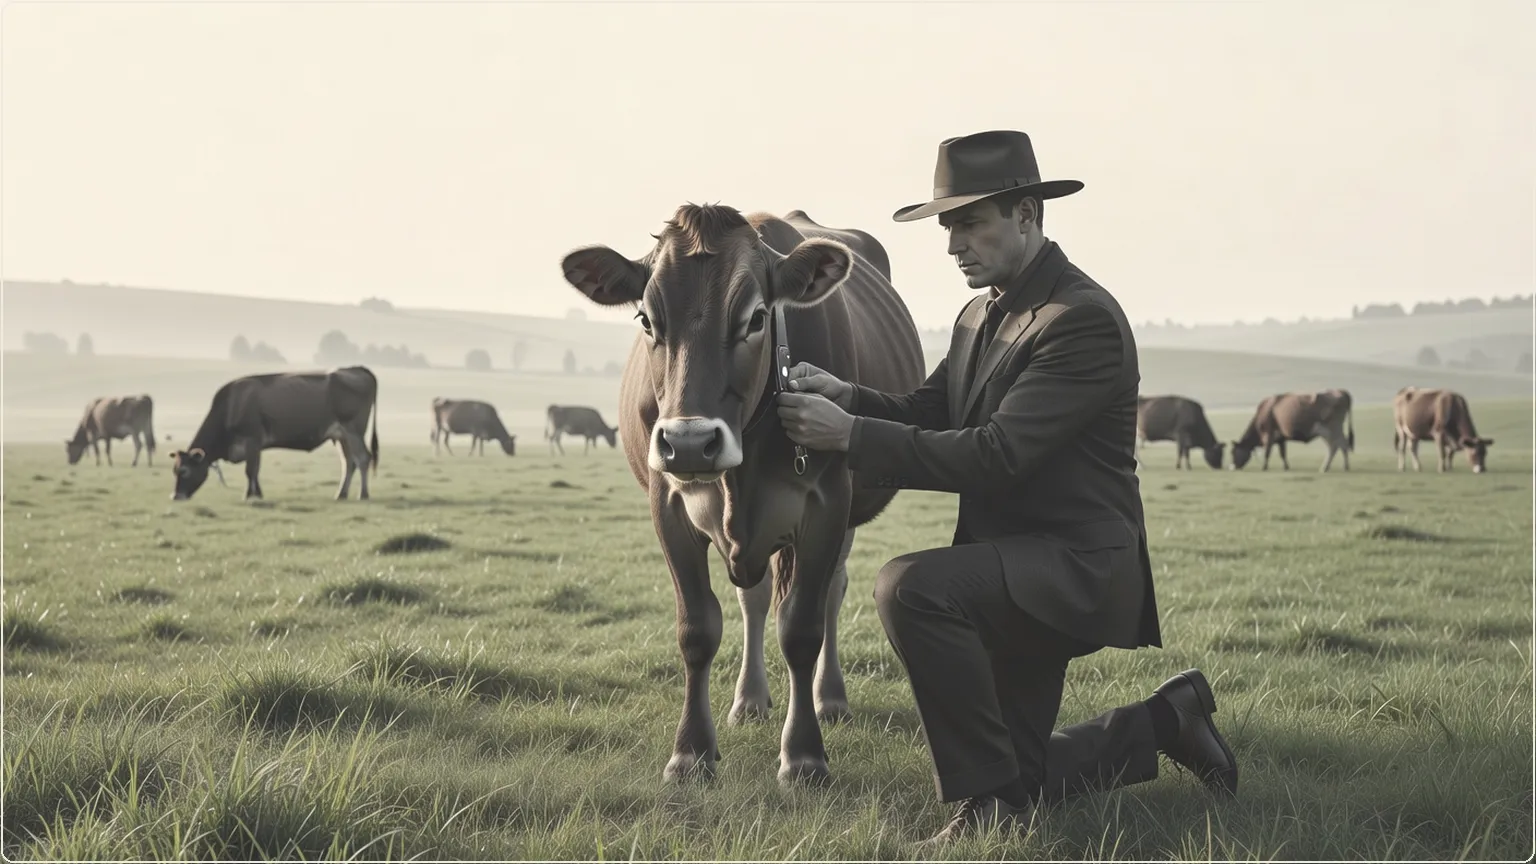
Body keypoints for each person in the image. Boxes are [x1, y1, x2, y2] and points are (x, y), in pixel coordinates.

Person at [774, 130, 1238, 848]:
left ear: (1027, 214)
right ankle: (1168, 720)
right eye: (947, 226)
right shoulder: (979, 311)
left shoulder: (1079, 321)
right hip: (1007, 564)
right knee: (1020, 773)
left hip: (1072, 567)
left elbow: (998, 455)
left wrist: (848, 435)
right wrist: (850, 397)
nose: (954, 242)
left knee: (909, 585)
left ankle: (986, 816)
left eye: (969, 222)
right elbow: (931, 411)